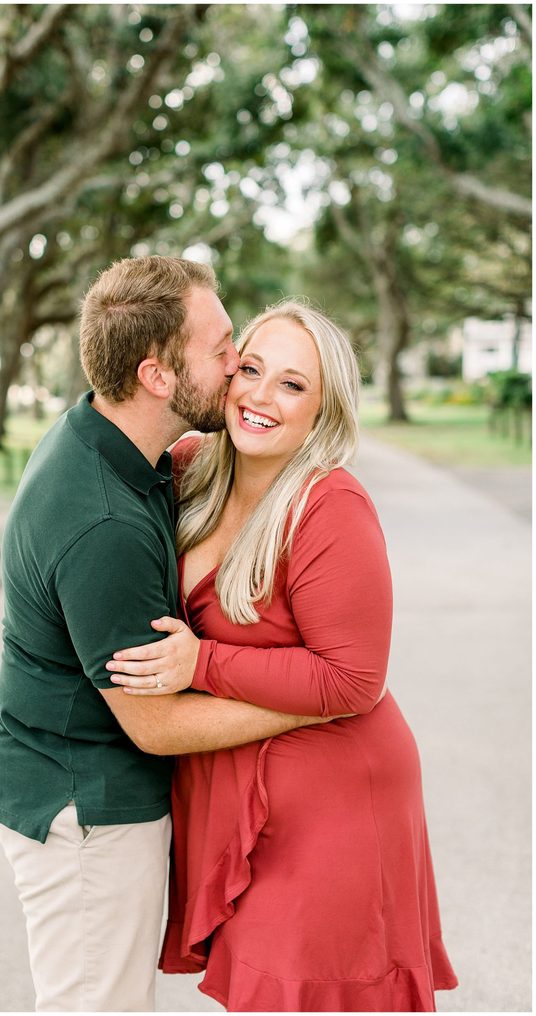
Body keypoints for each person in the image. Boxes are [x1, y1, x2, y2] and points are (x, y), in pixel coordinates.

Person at [0, 258, 339, 1013]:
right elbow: (155, 723)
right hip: (84, 811)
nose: (237, 364)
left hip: (75, 788)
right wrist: (316, 703)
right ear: (157, 376)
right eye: (221, 349)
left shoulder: (110, 439)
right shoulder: (102, 523)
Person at [106, 300, 458, 1012]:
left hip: (335, 809)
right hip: (238, 794)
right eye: (253, 369)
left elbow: (354, 678)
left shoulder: (330, 505)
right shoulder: (193, 469)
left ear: (324, 410)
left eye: (293, 385)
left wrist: (199, 665)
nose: (261, 396)